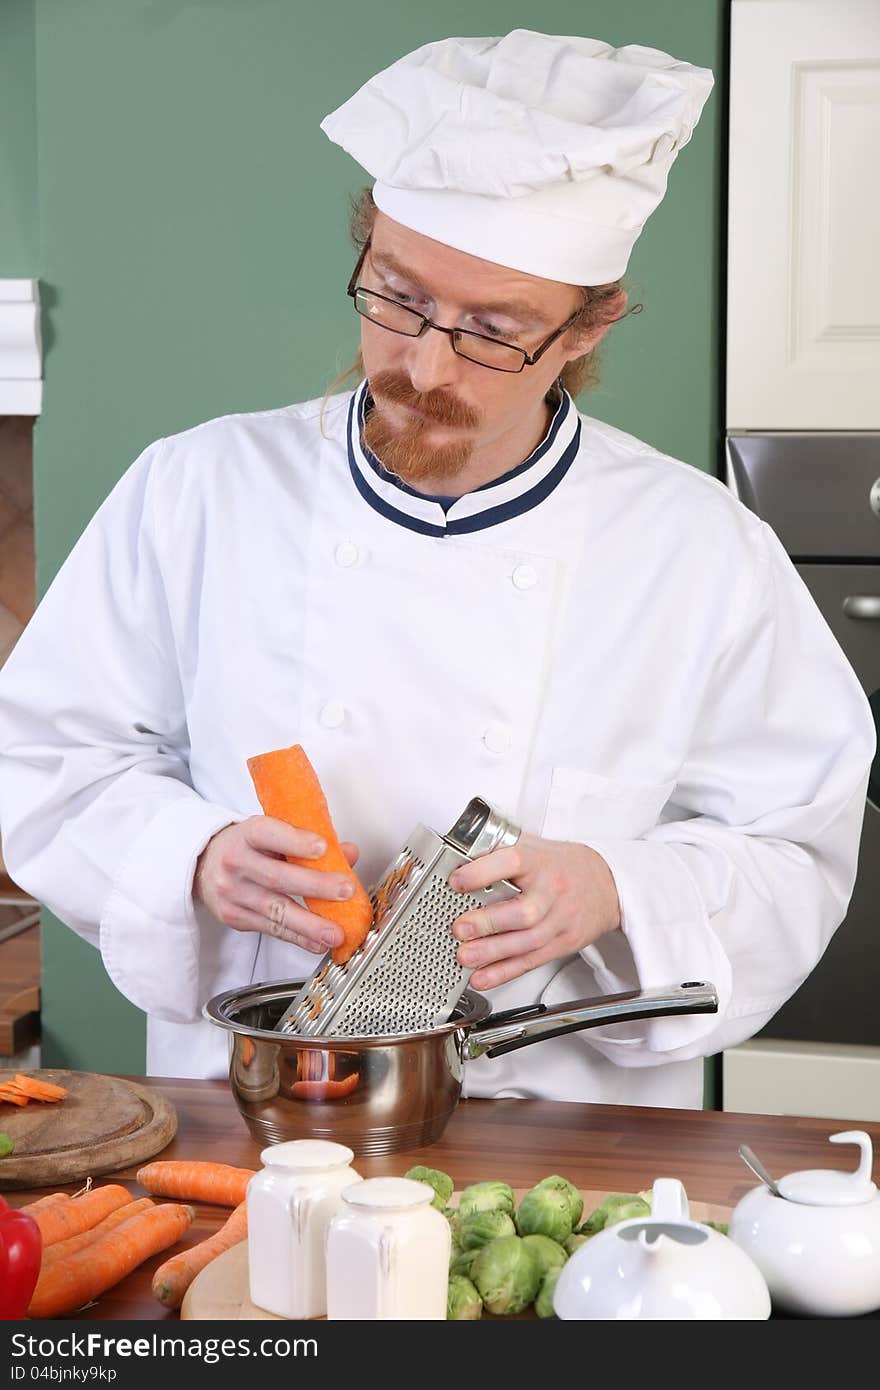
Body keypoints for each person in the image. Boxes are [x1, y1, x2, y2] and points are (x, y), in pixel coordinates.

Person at [0, 31, 874, 1103]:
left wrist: (615, 887)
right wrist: (191, 853)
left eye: (492, 331)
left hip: (563, 1135)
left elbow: (796, 849)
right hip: (264, 1112)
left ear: (587, 327)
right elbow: (43, 756)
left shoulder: (698, 549)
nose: (424, 366)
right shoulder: (196, 490)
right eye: (398, 299)